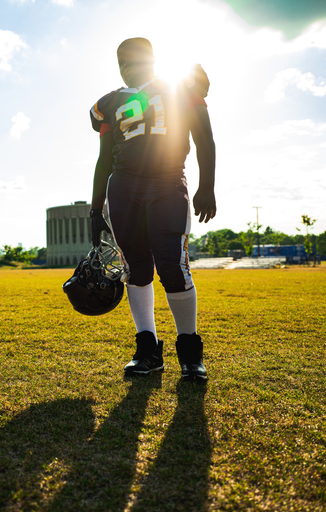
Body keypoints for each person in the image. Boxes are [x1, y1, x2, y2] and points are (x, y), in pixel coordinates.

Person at [89, 37, 216, 380]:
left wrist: (208, 186)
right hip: (123, 189)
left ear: (152, 60)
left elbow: (205, 138)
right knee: (136, 268)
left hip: (168, 183)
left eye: (134, 61)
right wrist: (94, 209)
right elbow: (103, 161)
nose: (128, 68)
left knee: (173, 267)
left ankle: (190, 352)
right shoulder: (108, 103)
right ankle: (148, 350)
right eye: (122, 63)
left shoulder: (180, 88)